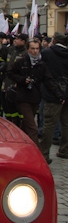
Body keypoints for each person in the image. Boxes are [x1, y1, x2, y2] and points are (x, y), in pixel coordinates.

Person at [8, 39, 64, 148]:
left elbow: (48, 80)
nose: (35, 51)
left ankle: (18, 141)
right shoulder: (21, 61)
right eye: (32, 49)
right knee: (33, 127)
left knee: (26, 124)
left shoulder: (41, 64)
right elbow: (10, 73)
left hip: (35, 97)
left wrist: (58, 94)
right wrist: (22, 80)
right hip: (23, 97)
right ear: (27, 49)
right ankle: (38, 153)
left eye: (37, 49)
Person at [40, 33, 68, 163]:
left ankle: (44, 153)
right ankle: (64, 150)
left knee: (49, 124)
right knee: (66, 124)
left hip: (52, 93)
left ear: (54, 40)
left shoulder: (47, 53)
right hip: (66, 92)